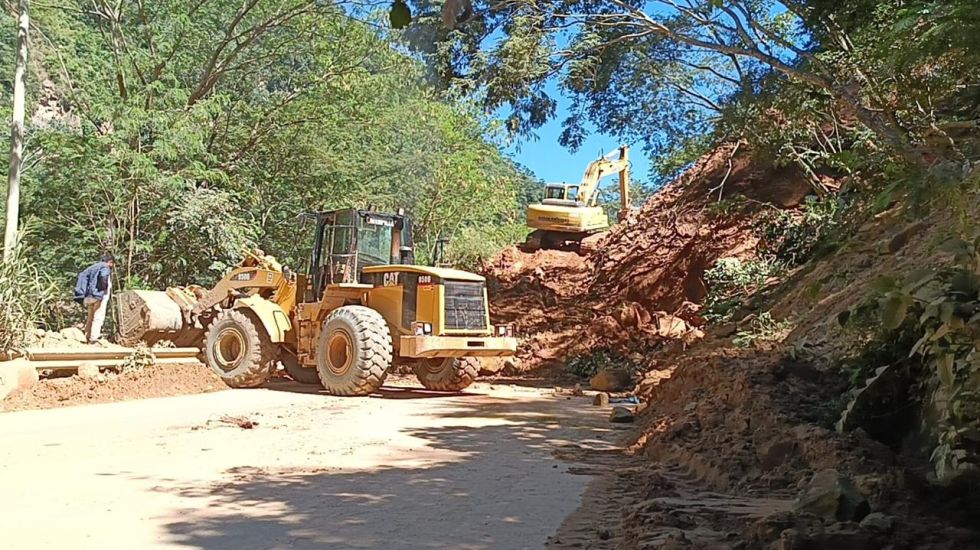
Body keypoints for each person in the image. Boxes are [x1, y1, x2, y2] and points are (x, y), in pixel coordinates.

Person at [73, 253, 115, 344]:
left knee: (90, 317)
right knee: (98, 316)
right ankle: (94, 338)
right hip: (98, 296)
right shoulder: (105, 267)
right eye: (112, 264)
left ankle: (87, 336)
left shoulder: (92, 267)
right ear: (110, 262)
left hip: (88, 296)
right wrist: (104, 290)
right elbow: (103, 277)